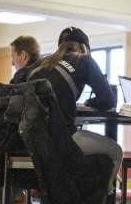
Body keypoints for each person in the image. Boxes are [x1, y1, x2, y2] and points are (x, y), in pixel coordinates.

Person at [28, 26, 123, 181]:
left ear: (59, 46)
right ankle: (97, 203)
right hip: (63, 139)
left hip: (31, 141)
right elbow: (108, 101)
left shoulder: (38, 65)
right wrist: (91, 101)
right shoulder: (84, 60)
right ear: (85, 47)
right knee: (116, 151)